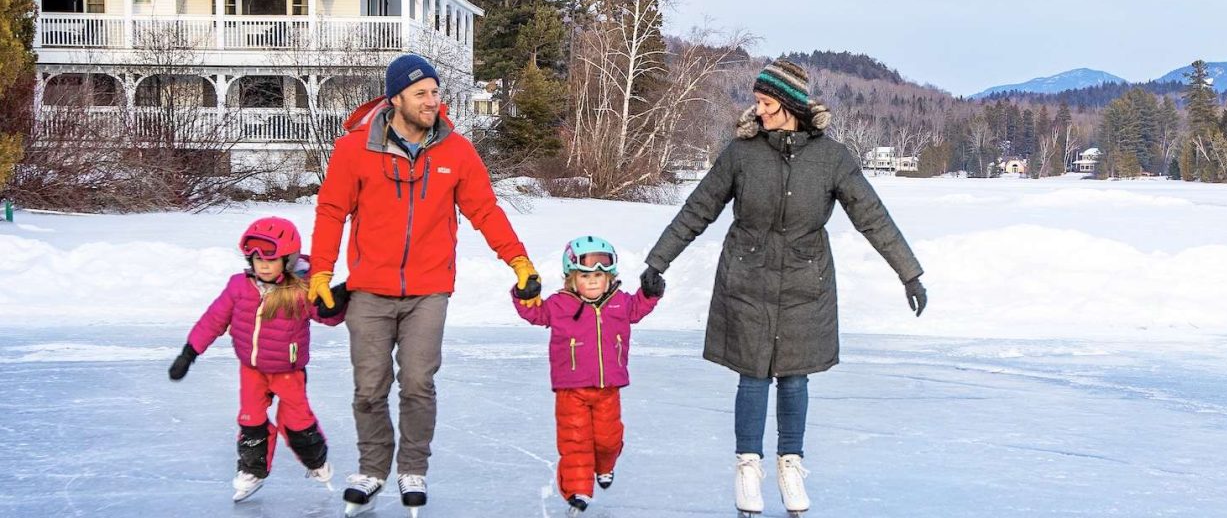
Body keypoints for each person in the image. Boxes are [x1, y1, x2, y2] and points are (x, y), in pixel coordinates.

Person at [638, 60, 928, 516]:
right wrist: (659, 259)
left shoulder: (831, 158)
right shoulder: (742, 153)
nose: (759, 111)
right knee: (752, 374)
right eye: (758, 102)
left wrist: (909, 272)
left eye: (766, 103)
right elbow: (699, 208)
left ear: (790, 105)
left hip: (805, 282)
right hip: (747, 278)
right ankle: (747, 469)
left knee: (795, 375)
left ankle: (790, 464)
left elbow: (871, 216)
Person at [309, 53, 542, 516]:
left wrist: (518, 260)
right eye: (421, 93)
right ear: (395, 98)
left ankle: (412, 467)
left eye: (435, 92)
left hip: (430, 289)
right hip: (368, 290)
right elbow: (332, 210)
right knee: (369, 388)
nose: (432, 101)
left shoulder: (455, 151)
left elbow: (485, 211)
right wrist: (321, 271)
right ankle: (373, 470)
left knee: (417, 382)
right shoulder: (356, 148)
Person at [168, 216, 347, 503]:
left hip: (288, 371)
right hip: (251, 370)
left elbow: (326, 316)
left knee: (298, 422)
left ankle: (315, 461)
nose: (262, 264)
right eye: (255, 258)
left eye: (271, 258)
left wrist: (335, 303)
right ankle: (253, 470)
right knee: (250, 420)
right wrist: (189, 352)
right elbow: (213, 320)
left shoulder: (302, 288)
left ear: (287, 260)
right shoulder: (239, 286)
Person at [511, 236, 663, 516]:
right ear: (571, 278)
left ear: (610, 277)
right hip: (571, 390)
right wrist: (523, 294)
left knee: (608, 439)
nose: (593, 281)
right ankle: (578, 490)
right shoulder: (559, 304)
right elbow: (535, 313)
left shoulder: (620, 303)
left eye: (599, 275)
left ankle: (605, 466)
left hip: (609, 389)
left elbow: (639, 308)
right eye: (584, 276)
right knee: (575, 441)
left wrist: (650, 293)